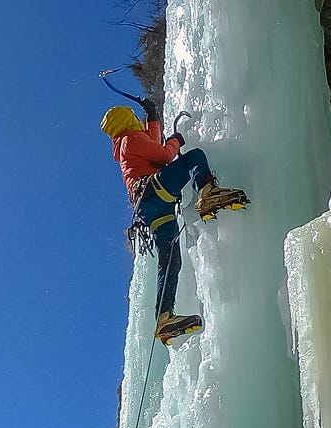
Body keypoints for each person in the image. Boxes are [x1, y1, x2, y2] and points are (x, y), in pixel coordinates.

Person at [103, 99, 248, 345]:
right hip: (154, 190)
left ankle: (164, 317)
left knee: (170, 259)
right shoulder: (131, 139)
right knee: (195, 157)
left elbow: (149, 145)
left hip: (149, 209)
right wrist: (177, 141)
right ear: (127, 120)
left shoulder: (126, 145)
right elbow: (162, 155)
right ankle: (208, 194)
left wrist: (153, 117)